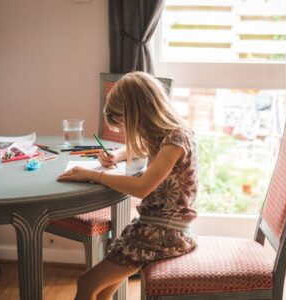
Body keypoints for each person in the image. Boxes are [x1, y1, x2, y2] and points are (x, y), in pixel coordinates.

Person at [58, 71, 198, 300]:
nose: (128, 131)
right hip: (155, 226)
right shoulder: (169, 135)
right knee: (101, 292)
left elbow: (142, 187)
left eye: (126, 124)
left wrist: (93, 175)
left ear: (139, 115)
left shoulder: (175, 141)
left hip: (165, 233)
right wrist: (117, 155)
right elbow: (141, 150)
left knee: (87, 283)